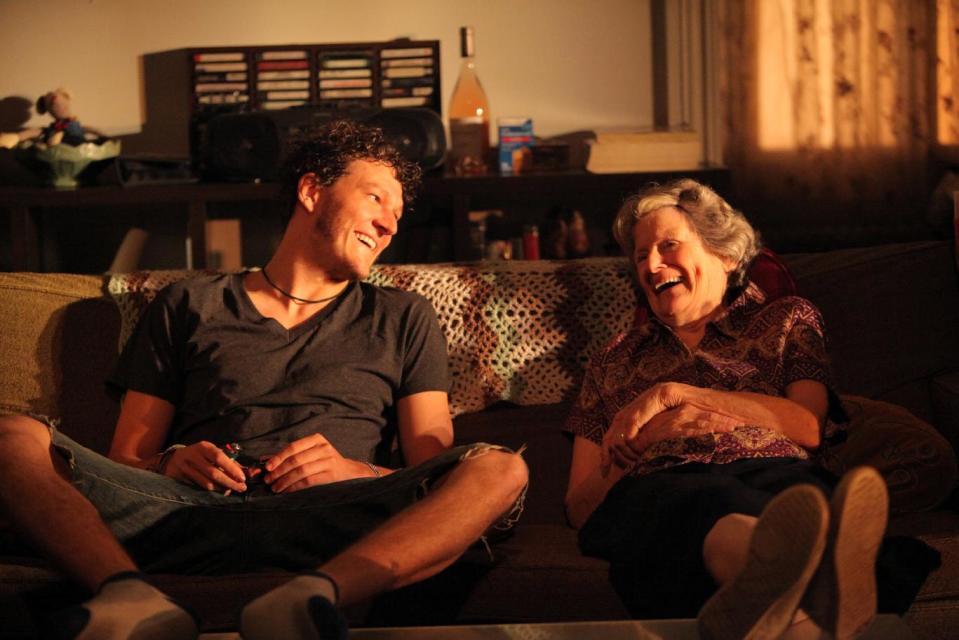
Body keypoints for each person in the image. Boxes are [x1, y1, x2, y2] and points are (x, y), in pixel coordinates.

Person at [0, 120, 528, 640]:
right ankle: (128, 597)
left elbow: (432, 469)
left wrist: (351, 471)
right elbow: (126, 461)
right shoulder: (190, 303)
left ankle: (312, 598)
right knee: (13, 436)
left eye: (397, 213)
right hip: (188, 511)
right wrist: (171, 460)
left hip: (334, 518)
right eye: (375, 198)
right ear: (311, 191)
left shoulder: (403, 316)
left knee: (500, 469)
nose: (390, 224)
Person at [563, 179, 889, 640]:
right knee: (707, 501)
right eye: (640, 256)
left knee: (795, 502)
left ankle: (788, 582)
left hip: (774, 473)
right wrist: (643, 441)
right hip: (660, 494)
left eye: (669, 245)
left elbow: (807, 426)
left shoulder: (786, 320)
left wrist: (680, 395)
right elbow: (579, 508)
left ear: (726, 255)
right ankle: (818, 575)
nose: (652, 265)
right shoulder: (612, 360)